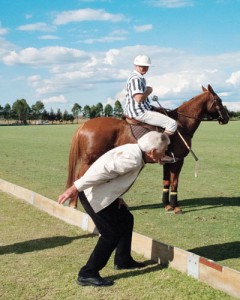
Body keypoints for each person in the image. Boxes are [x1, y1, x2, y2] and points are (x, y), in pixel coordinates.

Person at [58, 131, 170, 287]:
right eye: (163, 150)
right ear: (151, 152)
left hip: (99, 193)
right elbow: (102, 172)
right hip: (92, 195)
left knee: (126, 218)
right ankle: (87, 273)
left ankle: (123, 260)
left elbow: (112, 178)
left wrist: (116, 198)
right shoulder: (132, 159)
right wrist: (74, 188)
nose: (164, 154)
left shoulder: (134, 150)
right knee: (110, 235)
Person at [124, 55, 177, 136]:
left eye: (147, 67)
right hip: (139, 112)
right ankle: (160, 145)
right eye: (142, 66)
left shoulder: (140, 78)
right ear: (136, 66)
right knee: (172, 124)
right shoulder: (135, 79)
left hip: (140, 109)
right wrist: (149, 90)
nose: (145, 69)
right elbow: (139, 98)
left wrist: (152, 107)